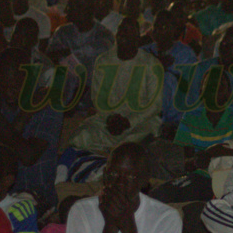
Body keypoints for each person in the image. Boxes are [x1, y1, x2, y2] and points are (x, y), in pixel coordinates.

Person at [0, 48, 63, 208]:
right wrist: (24, 116)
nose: (8, 93)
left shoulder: (47, 101)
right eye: (3, 86)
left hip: (37, 198)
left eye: (15, 87)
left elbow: (28, 156)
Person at [66, 16, 163, 156]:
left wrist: (129, 122)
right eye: (121, 30)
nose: (123, 34)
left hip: (139, 122)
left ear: (138, 37)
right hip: (109, 122)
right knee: (82, 136)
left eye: (129, 31)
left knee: (137, 141)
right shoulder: (104, 61)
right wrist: (110, 119)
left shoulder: (152, 64)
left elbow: (155, 106)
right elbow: (98, 99)